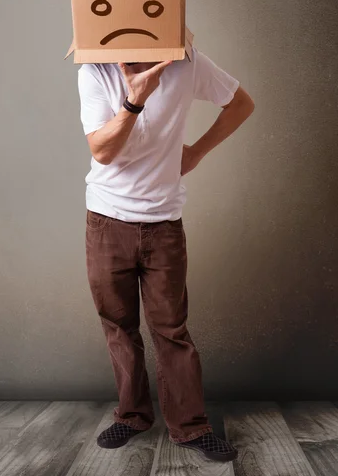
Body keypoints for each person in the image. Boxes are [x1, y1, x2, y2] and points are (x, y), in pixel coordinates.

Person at [77, 47, 255, 463]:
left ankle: (191, 426)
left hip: (163, 223)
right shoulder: (95, 70)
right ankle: (132, 415)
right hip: (107, 220)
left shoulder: (188, 61)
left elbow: (241, 103)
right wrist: (134, 100)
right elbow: (102, 151)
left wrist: (196, 152)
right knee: (118, 325)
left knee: (171, 329)